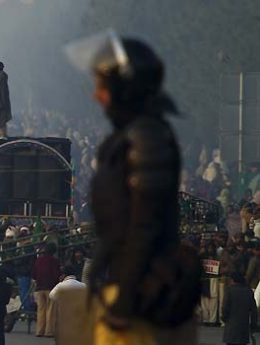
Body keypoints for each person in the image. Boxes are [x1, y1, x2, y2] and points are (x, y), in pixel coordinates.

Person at [66, 32, 201, 343]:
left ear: (124, 88)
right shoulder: (133, 137)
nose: (96, 96)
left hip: (138, 303)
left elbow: (143, 226)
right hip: (128, 294)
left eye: (102, 86)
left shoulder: (147, 140)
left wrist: (122, 303)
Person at [32, 243, 61, 337]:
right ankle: (49, 331)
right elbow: (56, 274)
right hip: (50, 287)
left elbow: (34, 274)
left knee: (41, 309)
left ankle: (39, 330)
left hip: (39, 287)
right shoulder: (54, 261)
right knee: (51, 310)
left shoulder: (38, 260)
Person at [222, 272, 257, 345]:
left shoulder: (229, 291)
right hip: (243, 329)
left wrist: (224, 318)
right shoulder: (249, 291)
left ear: (233, 280)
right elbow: (254, 311)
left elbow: (225, 307)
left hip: (231, 327)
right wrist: (253, 325)